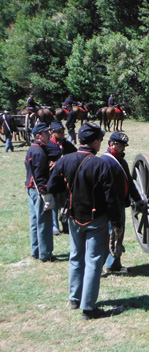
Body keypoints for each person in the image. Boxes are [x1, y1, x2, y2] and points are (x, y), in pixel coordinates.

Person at [47, 122, 122, 320]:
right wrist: (116, 223)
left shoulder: (65, 160)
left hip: (73, 217)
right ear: (95, 142)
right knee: (94, 261)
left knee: (75, 257)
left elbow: (51, 186)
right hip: (96, 219)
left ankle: (74, 298)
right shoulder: (100, 164)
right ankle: (88, 308)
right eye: (100, 140)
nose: (101, 143)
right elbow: (110, 198)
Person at [100, 132, 145, 274]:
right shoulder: (105, 161)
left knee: (118, 235)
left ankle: (114, 264)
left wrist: (137, 199)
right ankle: (99, 266)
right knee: (106, 236)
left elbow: (130, 183)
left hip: (119, 204)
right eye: (120, 146)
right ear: (111, 144)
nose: (123, 149)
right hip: (107, 205)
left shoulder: (121, 161)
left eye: (124, 146)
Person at [25, 123, 55, 262]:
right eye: (46, 133)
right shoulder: (38, 152)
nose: (49, 135)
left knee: (35, 221)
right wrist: (45, 192)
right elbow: (40, 175)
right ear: (38, 136)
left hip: (31, 188)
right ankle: (45, 254)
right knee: (44, 222)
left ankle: (36, 250)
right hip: (38, 190)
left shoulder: (34, 149)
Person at [46, 120, 77, 235]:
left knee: (64, 203)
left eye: (63, 131)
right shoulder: (47, 145)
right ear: (53, 132)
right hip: (52, 178)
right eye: (59, 132)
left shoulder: (67, 144)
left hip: (65, 179)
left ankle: (65, 225)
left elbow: (76, 154)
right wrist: (49, 162)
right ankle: (54, 226)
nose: (62, 134)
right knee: (53, 204)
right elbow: (42, 160)